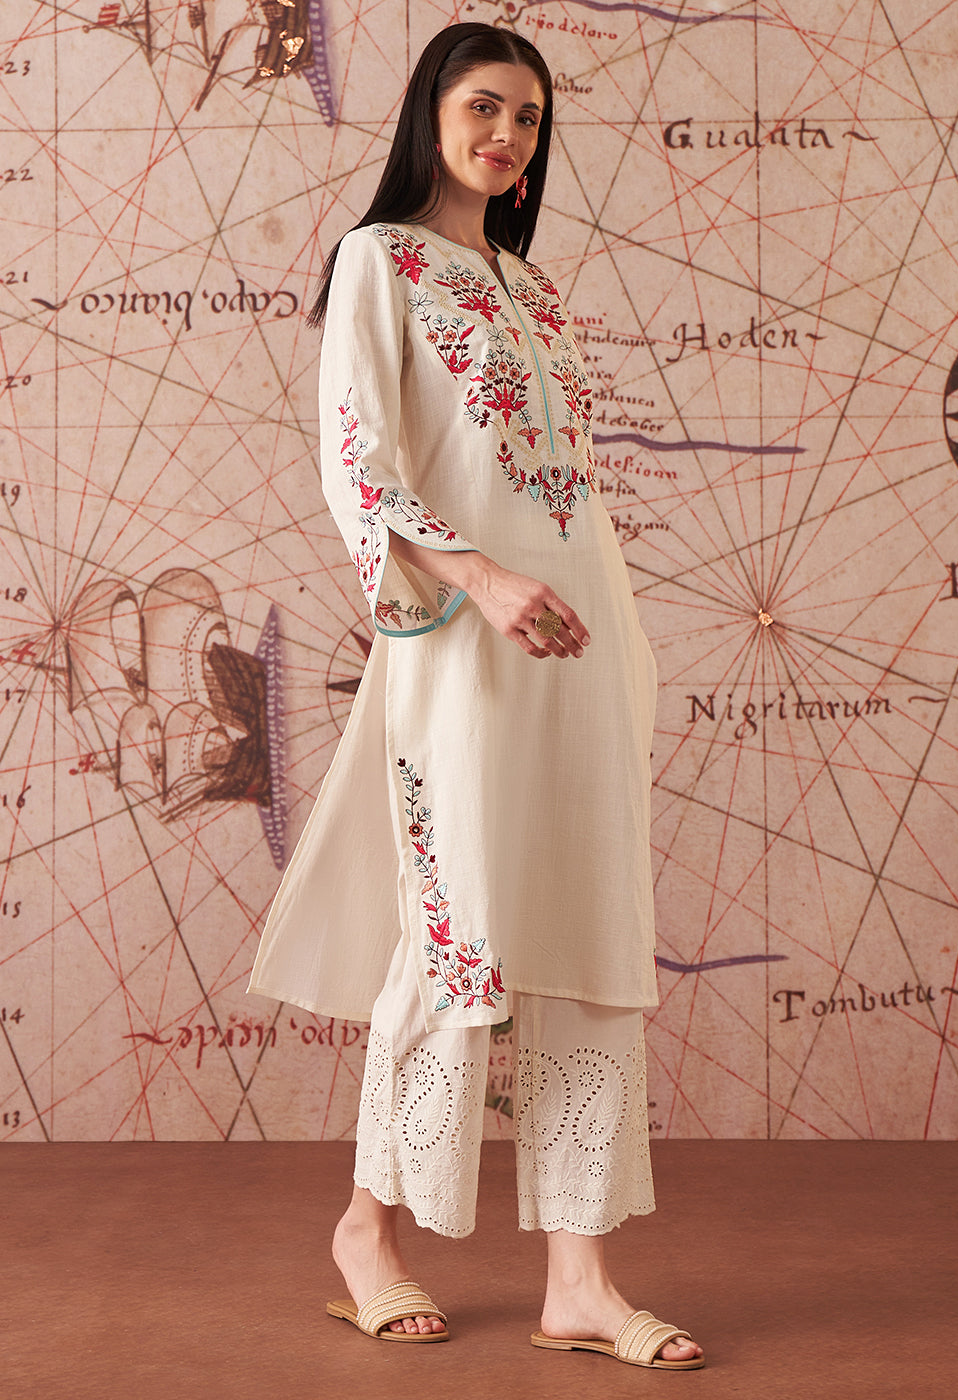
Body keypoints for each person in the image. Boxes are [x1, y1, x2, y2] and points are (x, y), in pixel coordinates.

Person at [247, 21, 705, 1372]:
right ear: (431, 114)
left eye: (529, 119)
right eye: (486, 107)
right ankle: (367, 1235)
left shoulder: (531, 286)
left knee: (591, 927)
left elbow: (566, 483)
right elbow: (359, 463)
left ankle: (581, 1281)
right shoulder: (379, 261)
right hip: (459, 637)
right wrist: (481, 579)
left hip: (583, 643)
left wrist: (612, 632)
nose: (507, 135)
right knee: (461, 926)